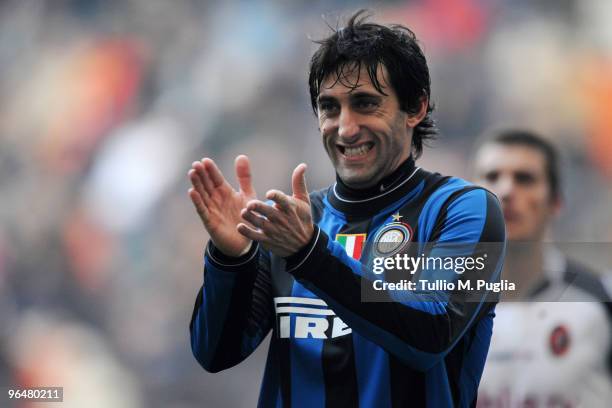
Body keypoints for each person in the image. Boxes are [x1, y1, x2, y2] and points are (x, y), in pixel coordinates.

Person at [189, 11, 505, 407]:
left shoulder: (464, 210)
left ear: (416, 108)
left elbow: (431, 333)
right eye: (330, 107)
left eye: (365, 104)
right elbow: (215, 353)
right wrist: (231, 260)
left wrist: (309, 254)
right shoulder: (296, 222)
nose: (346, 127)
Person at [472, 129, 612, 407]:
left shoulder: (599, 299)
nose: (506, 190)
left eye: (525, 179)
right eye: (492, 177)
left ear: (555, 202)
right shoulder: (437, 304)